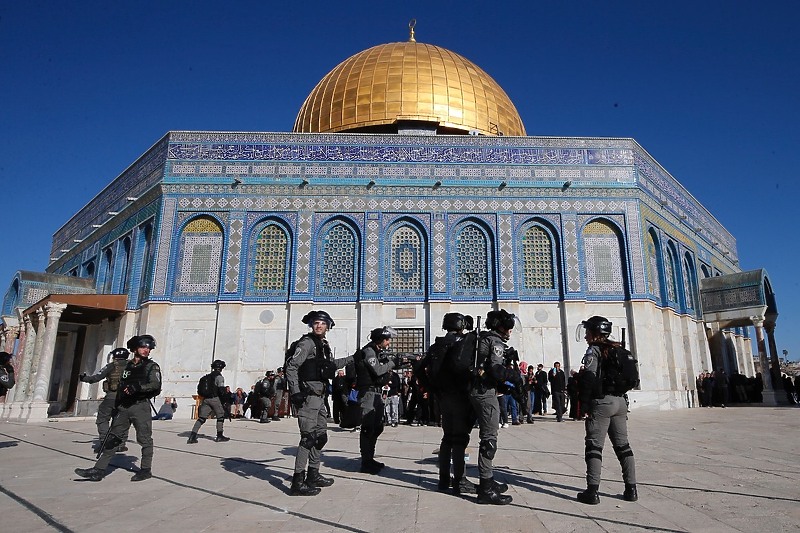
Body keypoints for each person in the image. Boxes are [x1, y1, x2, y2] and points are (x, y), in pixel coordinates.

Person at [75, 334, 161, 482]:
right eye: (143, 347)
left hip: (140, 407)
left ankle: (146, 469)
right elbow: (121, 384)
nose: (146, 350)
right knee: (114, 439)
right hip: (124, 406)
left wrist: (137, 388)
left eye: (148, 347)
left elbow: (156, 386)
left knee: (144, 439)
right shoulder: (127, 366)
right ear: (135, 348)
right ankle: (99, 470)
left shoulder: (151, 366)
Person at [285, 310, 353, 496]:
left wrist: (354, 357)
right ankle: (297, 482)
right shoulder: (306, 343)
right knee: (307, 439)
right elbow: (291, 367)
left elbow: (332, 365)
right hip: (308, 398)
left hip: (320, 398)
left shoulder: (323, 345)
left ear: (328, 326)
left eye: (322, 323)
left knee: (320, 437)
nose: (319, 326)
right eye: (316, 323)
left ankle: (313, 475)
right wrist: (296, 392)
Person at [576, 316, 637, 504]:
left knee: (594, 446)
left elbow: (589, 378)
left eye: (587, 332)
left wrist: (584, 405)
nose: (585, 336)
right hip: (620, 403)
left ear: (594, 333)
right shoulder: (617, 349)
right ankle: (631, 489)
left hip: (602, 404)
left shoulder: (594, 351)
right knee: (623, 446)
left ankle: (592, 492)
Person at [469, 309, 519, 505]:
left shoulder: (483, 338)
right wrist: (514, 376)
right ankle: (486, 488)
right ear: (500, 326)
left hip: (476, 390)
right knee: (489, 440)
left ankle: (487, 481)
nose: (509, 331)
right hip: (484, 392)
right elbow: (495, 369)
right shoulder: (495, 341)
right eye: (507, 327)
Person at [432, 313, 478, 495]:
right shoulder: (462, 343)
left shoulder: (437, 345)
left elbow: (422, 369)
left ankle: (444, 479)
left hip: (443, 397)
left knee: (447, 438)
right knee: (459, 439)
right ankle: (460, 480)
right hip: (459, 396)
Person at [355, 326, 402, 474]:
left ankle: (370, 458)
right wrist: (393, 362)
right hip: (368, 393)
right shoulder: (369, 351)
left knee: (377, 427)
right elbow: (378, 370)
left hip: (376, 393)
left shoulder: (377, 352)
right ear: (380, 340)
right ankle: (365, 461)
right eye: (387, 340)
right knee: (368, 428)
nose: (388, 342)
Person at [79, 347, 130, 451]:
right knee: (123, 421)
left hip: (112, 397)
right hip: (127, 399)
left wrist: (84, 378)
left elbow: (96, 377)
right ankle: (120, 444)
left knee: (102, 419)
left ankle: (105, 442)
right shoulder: (133, 366)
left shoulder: (111, 366)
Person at [187, 360, 230, 443]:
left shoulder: (207, 377)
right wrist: (224, 400)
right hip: (214, 399)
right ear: (221, 368)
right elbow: (221, 390)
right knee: (220, 416)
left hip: (206, 399)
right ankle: (219, 436)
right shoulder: (219, 377)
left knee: (201, 418)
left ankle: (192, 436)